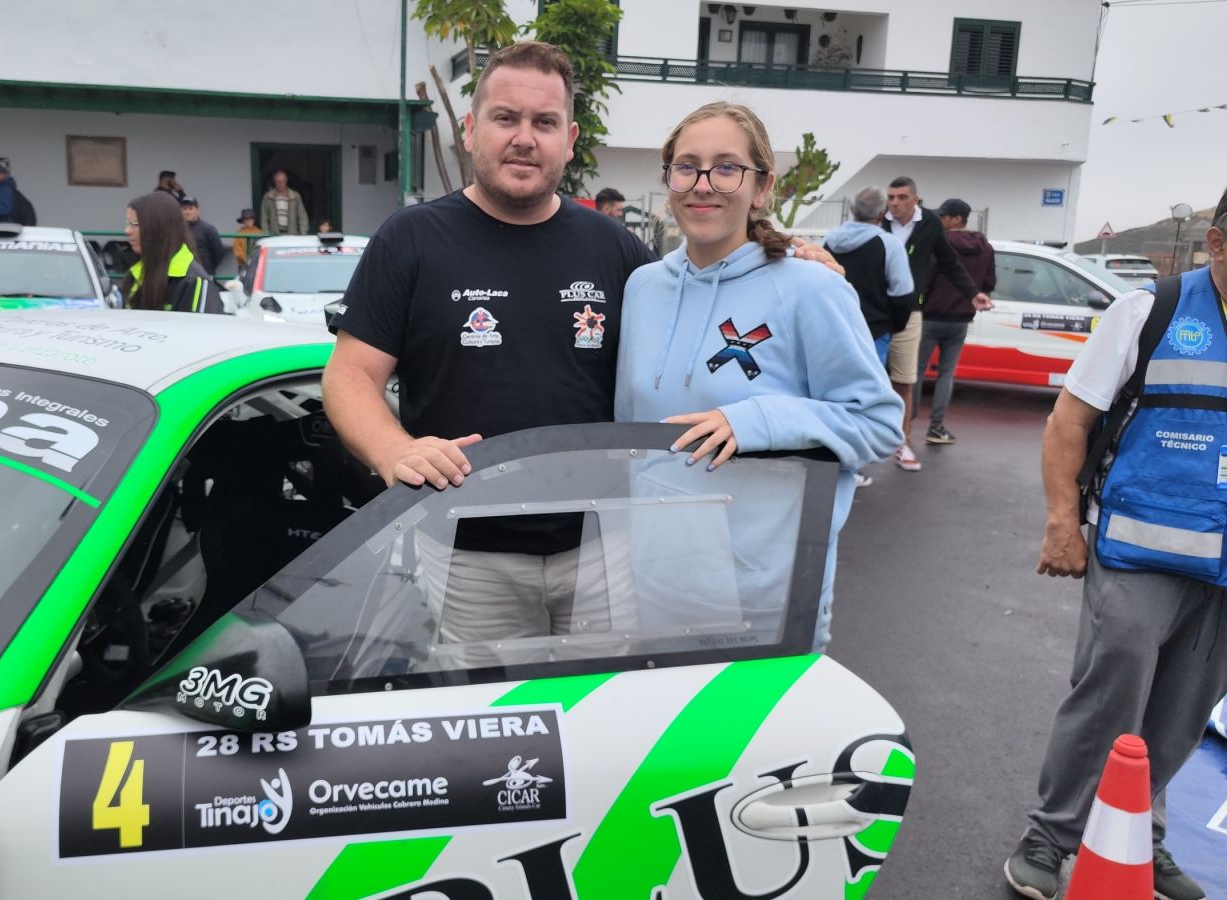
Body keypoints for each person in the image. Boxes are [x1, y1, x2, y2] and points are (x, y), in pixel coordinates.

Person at [323, 41, 656, 646]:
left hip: (602, 546)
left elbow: (698, 331)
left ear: (569, 139)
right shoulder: (411, 239)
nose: (524, 138)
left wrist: (786, 262)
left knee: (605, 700)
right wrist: (394, 451)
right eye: (506, 118)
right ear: (471, 130)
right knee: (490, 705)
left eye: (544, 122)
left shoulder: (617, 249)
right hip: (466, 553)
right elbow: (349, 376)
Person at [1005, 170, 1227, 900]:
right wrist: (1062, 522)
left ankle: (1137, 837)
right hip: (1139, 555)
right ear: (1217, 243)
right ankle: (1051, 835)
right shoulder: (1151, 311)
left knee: (1182, 717)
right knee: (1110, 698)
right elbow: (1070, 421)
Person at [617, 101, 901, 653]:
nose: (703, 184)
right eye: (686, 167)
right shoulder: (643, 287)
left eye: (726, 167)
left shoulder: (811, 287)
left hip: (767, 598)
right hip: (653, 588)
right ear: (669, 181)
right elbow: (628, 433)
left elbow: (879, 423)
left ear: (762, 187)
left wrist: (756, 420)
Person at [881, 175, 987, 472]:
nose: (895, 204)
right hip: (875, 311)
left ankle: (902, 443)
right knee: (867, 378)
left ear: (915, 199)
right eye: (891, 197)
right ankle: (856, 455)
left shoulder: (929, 223)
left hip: (911, 312)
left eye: (902, 197)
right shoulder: (879, 221)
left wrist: (972, 294)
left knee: (905, 379)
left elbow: (949, 262)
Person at [916, 198, 996, 445]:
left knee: (915, 372)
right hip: (961, 319)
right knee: (946, 374)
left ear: (957, 219)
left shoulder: (939, 244)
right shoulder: (985, 247)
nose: (940, 220)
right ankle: (936, 427)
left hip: (930, 317)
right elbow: (989, 282)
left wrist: (918, 304)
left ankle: (904, 426)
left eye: (944, 216)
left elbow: (925, 279)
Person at [823, 187, 915, 368]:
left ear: (851, 209)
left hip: (832, 330)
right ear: (882, 214)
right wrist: (892, 327)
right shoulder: (890, 244)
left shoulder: (827, 242)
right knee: (869, 384)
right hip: (873, 333)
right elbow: (903, 296)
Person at [120, 192, 223, 313]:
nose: (127, 231)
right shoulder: (136, 273)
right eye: (128, 223)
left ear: (160, 228)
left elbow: (218, 252)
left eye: (135, 224)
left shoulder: (194, 282)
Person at [179, 195, 226, 275]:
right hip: (182, 274)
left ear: (197, 211)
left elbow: (219, 253)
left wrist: (208, 269)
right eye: (184, 209)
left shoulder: (208, 229)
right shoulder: (176, 229)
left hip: (204, 273)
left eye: (190, 208)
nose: (187, 212)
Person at [259, 169, 309, 235]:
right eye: (278, 181)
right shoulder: (268, 196)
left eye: (283, 181)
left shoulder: (295, 196)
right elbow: (264, 218)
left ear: (286, 181)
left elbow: (302, 218)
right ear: (274, 181)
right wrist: (266, 234)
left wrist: (303, 235)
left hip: (292, 235)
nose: (280, 184)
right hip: (273, 235)